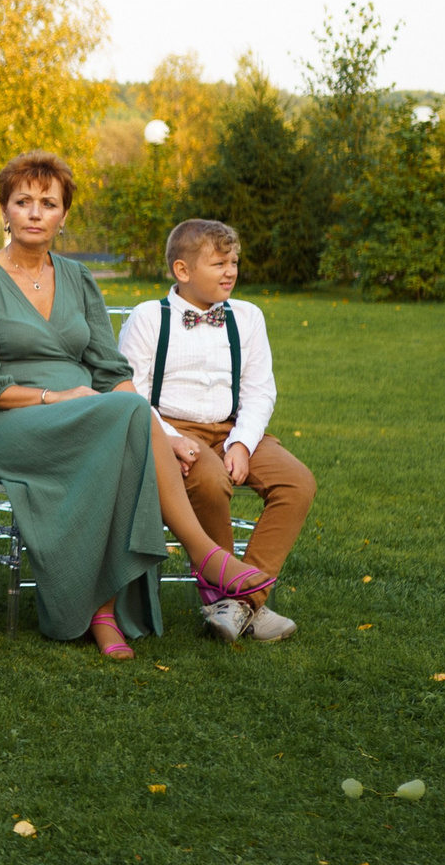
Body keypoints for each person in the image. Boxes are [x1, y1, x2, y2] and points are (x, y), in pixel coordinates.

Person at [0, 151, 278, 656]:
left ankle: (102, 610)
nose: (35, 213)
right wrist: (55, 396)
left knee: (123, 425)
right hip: (8, 422)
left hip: (89, 417)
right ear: (5, 210)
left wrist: (164, 435)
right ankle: (205, 554)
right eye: (23, 202)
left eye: (49, 203)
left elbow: (110, 371)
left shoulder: (79, 280)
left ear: (63, 215)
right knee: (121, 417)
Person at [117, 218, 314, 644]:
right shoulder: (150, 317)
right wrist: (169, 436)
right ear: (183, 271)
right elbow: (128, 390)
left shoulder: (247, 316)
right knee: (209, 479)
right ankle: (223, 593)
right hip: (169, 427)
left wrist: (242, 443)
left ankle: (241, 601)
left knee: (296, 482)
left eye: (234, 262)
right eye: (219, 263)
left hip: (233, 427)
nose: (230, 272)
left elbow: (260, 390)